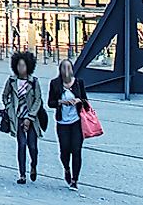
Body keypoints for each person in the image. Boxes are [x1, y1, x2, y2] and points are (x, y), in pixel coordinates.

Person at [3, 50, 43, 185]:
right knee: (21, 145)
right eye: (19, 65)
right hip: (17, 117)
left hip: (31, 118)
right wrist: (9, 108)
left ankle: (33, 165)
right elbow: (5, 95)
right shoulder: (11, 81)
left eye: (24, 65)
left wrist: (30, 116)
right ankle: (22, 174)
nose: (21, 68)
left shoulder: (34, 82)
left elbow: (38, 99)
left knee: (32, 146)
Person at [49, 59, 89, 191]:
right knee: (65, 150)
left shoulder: (79, 83)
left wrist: (79, 100)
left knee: (76, 150)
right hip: (62, 122)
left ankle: (75, 180)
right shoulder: (55, 84)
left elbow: (86, 102)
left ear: (72, 69)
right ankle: (66, 169)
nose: (66, 71)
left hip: (77, 122)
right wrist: (61, 102)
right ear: (60, 70)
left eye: (69, 68)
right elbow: (50, 103)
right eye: (64, 68)